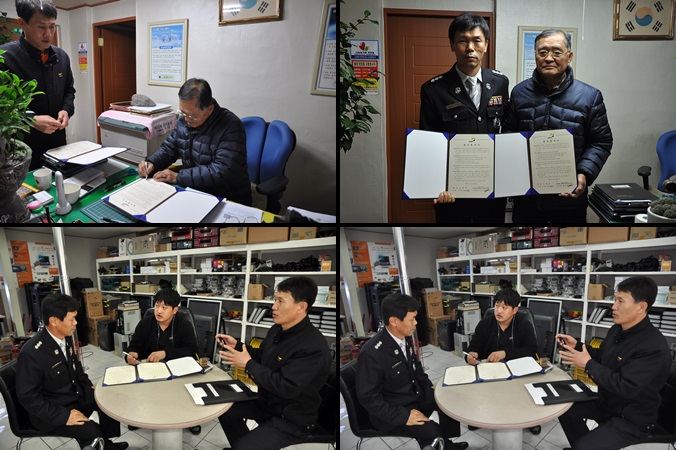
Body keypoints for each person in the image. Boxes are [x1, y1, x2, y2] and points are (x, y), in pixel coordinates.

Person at [504, 29, 613, 223]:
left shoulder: (590, 96)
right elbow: (509, 134)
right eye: (542, 52)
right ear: (535, 55)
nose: (548, 58)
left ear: (569, 56)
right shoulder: (519, 93)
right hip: (527, 200)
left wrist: (584, 173)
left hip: (569, 200)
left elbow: (601, 141)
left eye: (556, 52)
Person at [216, 276, 330, 450]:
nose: (273, 307)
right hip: (268, 402)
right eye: (275, 300)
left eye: (280, 301)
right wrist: (238, 346)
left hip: (292, 418)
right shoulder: (277, 329)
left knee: (242, 446)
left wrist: (248, 364)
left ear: (301, 307)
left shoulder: (313, 346)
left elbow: (285, 387)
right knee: (224, 410)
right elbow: (263, 356)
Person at [557, 276, 671, 450]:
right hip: (608, 403)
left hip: (632, 418)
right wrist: (578, 346)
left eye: (620, 301)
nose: (613, 307)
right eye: (615, 300)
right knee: (564, 410)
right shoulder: (617, 329)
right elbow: (603, 355)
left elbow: (625, 386)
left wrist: (587, 364)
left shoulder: (654, 347)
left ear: (641, 307)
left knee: (583, 446)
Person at [419, 12, 509, 223]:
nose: (470, 48)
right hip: (452, 195)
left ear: (486, 44)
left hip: (492, 192)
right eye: (463, 41)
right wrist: (434, 186)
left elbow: (506, 131)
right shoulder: (434, 90)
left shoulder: (500, 83)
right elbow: (428, 142)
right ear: (452, 45)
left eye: (477, 40)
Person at [356, 293, 468, 450]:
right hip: (391, 411)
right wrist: (404, 416)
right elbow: (368, 398)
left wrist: (429, 388)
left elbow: (417, 370)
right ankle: (440, 442)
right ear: (394, 321)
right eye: (412, 319)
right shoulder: (372, 353)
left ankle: (446, 443)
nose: (416, 323)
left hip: (413, 396)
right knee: (432, 430)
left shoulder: (405, 337)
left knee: (449, 399)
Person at [16, 294, 128, 450]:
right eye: (72, 319)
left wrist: (89, 388)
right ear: (54, 321)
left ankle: (107, 443)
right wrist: (64, 416)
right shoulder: (32, 353)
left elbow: (77, 370)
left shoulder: (64, 337)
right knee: (92, 431)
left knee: (109, 400)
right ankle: (100, 443)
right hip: (51, 411)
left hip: (72, 396)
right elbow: (28, 398)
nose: (76, 323)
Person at [137, 78, 252, 206]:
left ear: (210, 109)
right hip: (194, 189)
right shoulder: (184, 120)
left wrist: (178, 177)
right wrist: (152, 162)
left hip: (225, 195)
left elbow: (222, 171)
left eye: (192, 116)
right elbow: (169, 148)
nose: (186, 119)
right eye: (183, 112)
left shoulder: (231, 126)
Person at [0, 0, 75, 171]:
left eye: (52, 26)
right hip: (21, 148)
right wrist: (30, 121)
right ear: (22, 23)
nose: (48, 34)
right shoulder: (5, 58)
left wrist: (66, 110)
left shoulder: (61, 56)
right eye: (41, 27)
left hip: (58, 143)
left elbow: (69, 90)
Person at [464, 280, 541, 435]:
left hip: (517, 372)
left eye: (504, 307)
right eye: (497, 305)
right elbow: (474, 346)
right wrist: (472, 355)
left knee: (523, 393)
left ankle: (529, 419)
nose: (498, 311)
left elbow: (531, 351)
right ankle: (480, 415)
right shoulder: (485, 324)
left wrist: (505, 353)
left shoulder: (523, 325)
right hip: (490, 371)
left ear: (515, 310)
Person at [124, 284, 201, 433]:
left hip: (177, 371)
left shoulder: (184, 325)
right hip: (151, 372)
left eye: (164, 307)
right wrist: (131, 355)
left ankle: (190, 418)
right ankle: (141, 414)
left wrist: (165, 353)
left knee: (183, 393)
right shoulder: (145, 324)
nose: (158, 311)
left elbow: (192, 351)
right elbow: (133, 347)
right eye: (157, 305)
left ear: (175, 310)